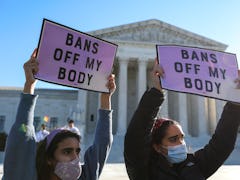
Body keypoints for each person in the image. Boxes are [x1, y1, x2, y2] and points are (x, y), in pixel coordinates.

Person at [3, 49, 116, 180]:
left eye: (77, 151)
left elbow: (103, 143)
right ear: (49, 158)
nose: (75, 158)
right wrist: (29, 85)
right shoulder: (25, 176)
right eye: (67, 151)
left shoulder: (84, 177)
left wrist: (105, 98)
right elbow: (22, 132)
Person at [124, 60, 240, 180]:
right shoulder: (144, 170)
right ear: (157, 146)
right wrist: (156, 91)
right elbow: (135, 137)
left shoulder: (195, 165)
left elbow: (222, 144)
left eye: (182, 137)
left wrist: (235, 102)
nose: (181, 144)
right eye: (173, 139)